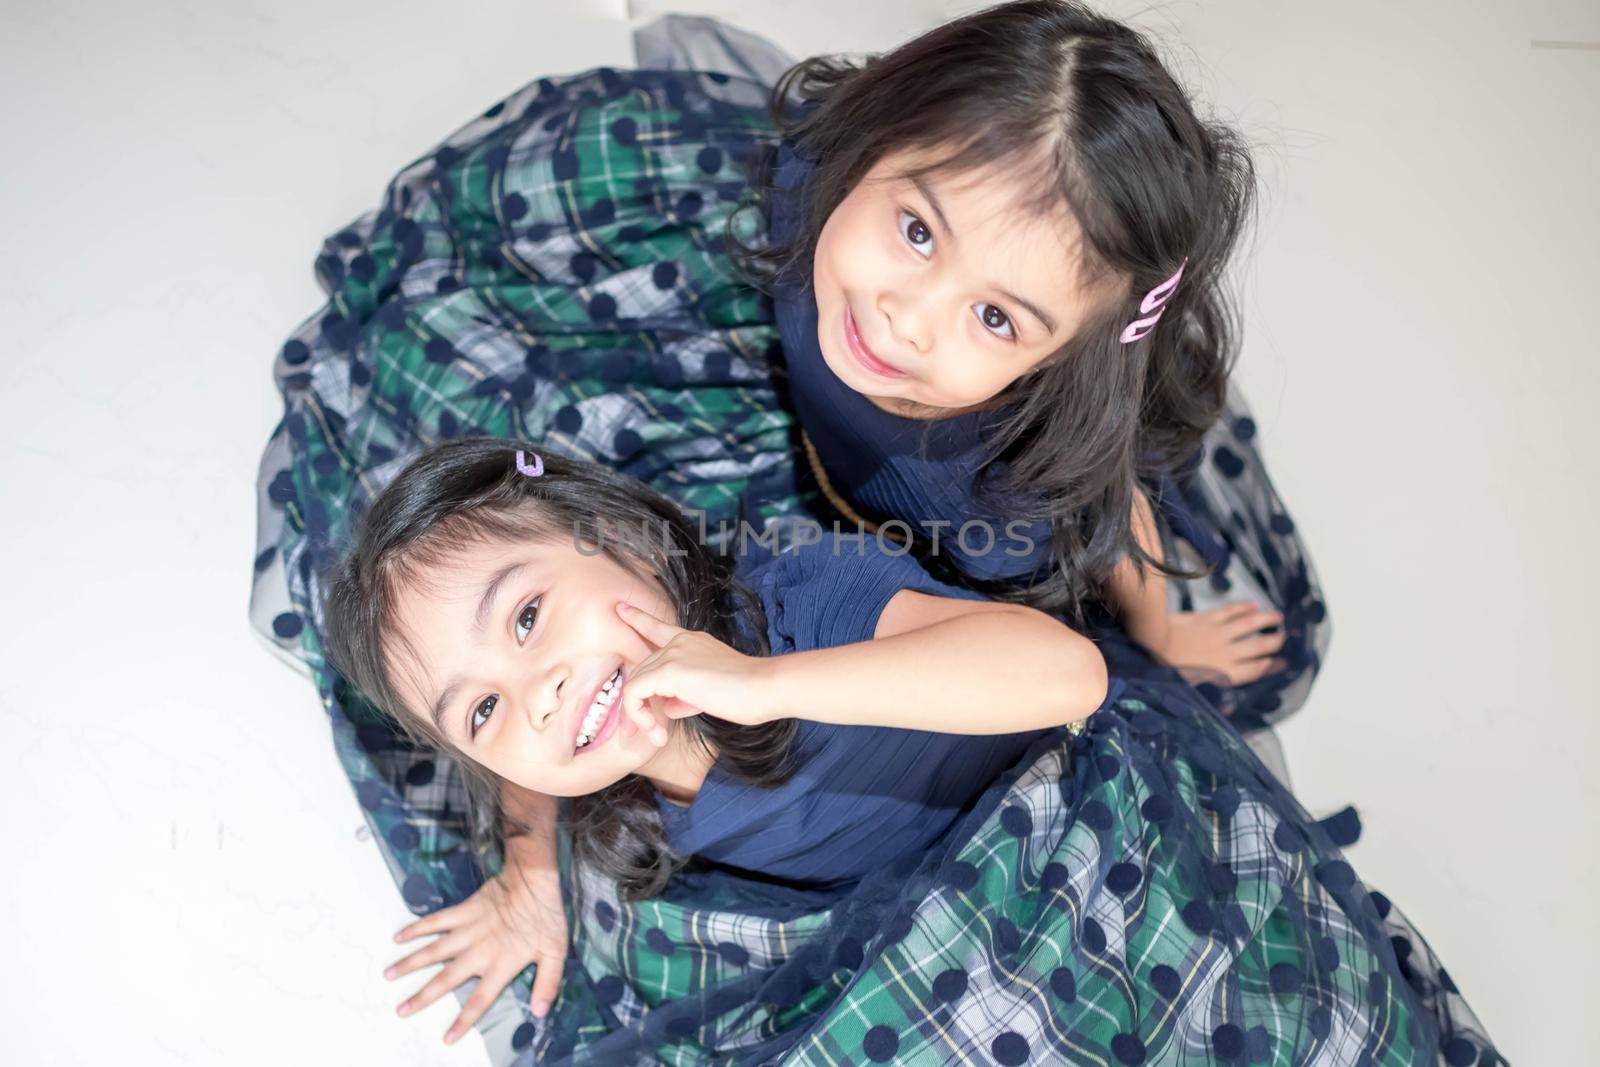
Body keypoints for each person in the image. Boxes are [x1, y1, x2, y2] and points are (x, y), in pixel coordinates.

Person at [320, 437, 1501, 1066]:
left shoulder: (804, 595)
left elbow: (1062, 677)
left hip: (1069, 811)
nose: (541, 695)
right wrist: (529, 882)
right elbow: (531, 768)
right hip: (913, 923)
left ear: (621, 539)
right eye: (478, 710)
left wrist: (759, 680)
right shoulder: (569, 767)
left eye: (528, 618)